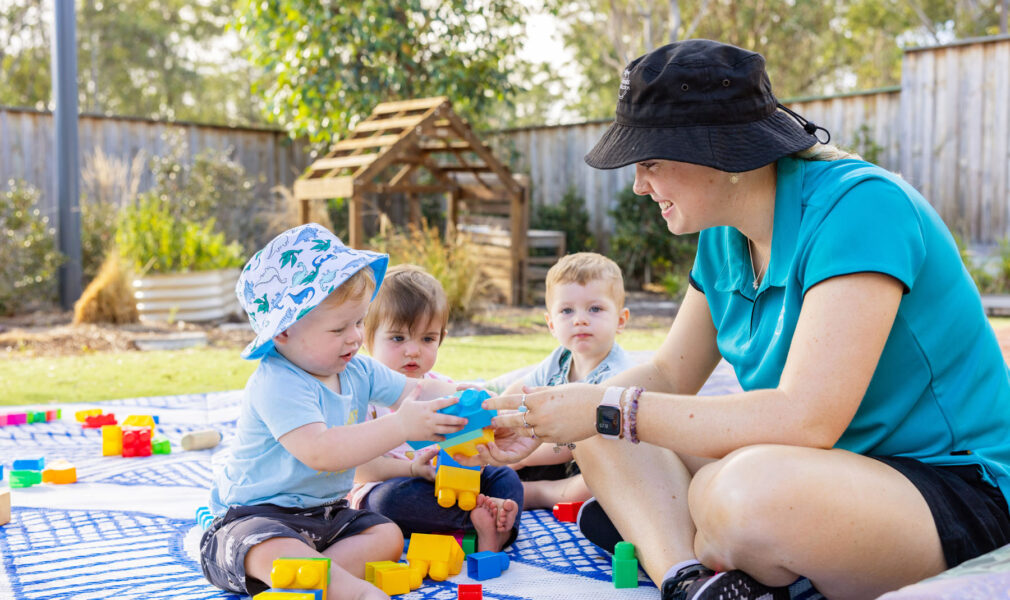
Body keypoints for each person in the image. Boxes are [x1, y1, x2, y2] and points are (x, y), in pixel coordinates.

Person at [461, 39, 1010, 600]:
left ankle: (690, 525)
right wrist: (536, 420)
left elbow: (807, 418)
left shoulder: (862, 207)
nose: (638, 185)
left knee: (735, 492)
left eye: (649, 162)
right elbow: (672, 375)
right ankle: (690, 579)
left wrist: (610, 413)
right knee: (602, 421)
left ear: (717, 152)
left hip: (950, 489)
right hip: (818, 470)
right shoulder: (724, 236)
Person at [200, 224, 466, 600]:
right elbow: (322, 451)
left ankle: (306, 584)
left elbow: (419, 390)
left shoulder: (357, 369)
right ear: (283, 333)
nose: (356, 337)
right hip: (254, 517)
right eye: (340, 327)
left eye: (359, 322)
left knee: (386, 536)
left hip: (326, 515)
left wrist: (465, 396)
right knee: (267, 546)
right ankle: (347, 591)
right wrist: (403, 424)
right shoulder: (277, 381)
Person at [348, 264, 523, 552]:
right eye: (398, 338)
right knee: (383, 502)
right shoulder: (363, 397)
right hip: (399, 483)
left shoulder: (443, 388)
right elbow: (361, 471)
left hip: (457, 482)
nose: (413, 350)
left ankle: (496, 529)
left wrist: (480, 440)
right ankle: (479, 521)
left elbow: (471, 443)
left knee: (506, 476)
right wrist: (414, 470)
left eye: (427, 338)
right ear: (367, 338)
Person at [502, 252, 635, 509]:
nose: (580, 319)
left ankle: (536, 493)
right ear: (551, 324)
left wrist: (522, 458)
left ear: (621, 320)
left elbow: (571, 444)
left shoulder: (618, 374)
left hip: (590, 460)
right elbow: (520, 389)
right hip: (546, 455)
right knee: (497, 465)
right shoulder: (561, 358)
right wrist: (496, 414)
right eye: (567, 310)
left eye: (595, 309)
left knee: (593, 485)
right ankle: (509, 483)